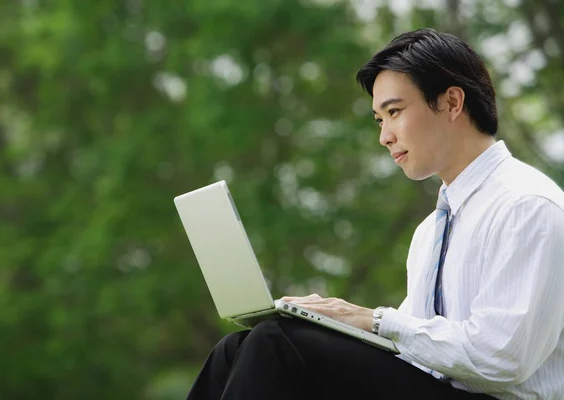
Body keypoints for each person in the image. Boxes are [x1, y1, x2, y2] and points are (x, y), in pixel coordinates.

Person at [187, 28, 564, 399]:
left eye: (394, 112)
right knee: (237, 348)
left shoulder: (527, 206)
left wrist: (373, 319)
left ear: (451, 102)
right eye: (380, 120)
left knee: (278, 344)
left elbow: (502, 358)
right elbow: (414, 354)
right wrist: (322, 320)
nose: (385, 136)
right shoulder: (432, 231)